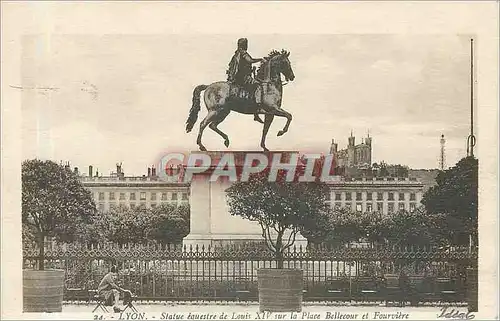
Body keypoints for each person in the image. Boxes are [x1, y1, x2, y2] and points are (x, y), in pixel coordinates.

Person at [226, 38, 265, 123]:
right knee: (258, 85)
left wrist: (251, 70)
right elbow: (250, 60)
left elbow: (241, 66)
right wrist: (260, 59)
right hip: (243, 78)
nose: (247, 46)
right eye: (246, 44)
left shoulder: (236, 54)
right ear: (244, 45)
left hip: (238, 77)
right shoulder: (243, 53)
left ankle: (255, 114)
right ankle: (258, 107)